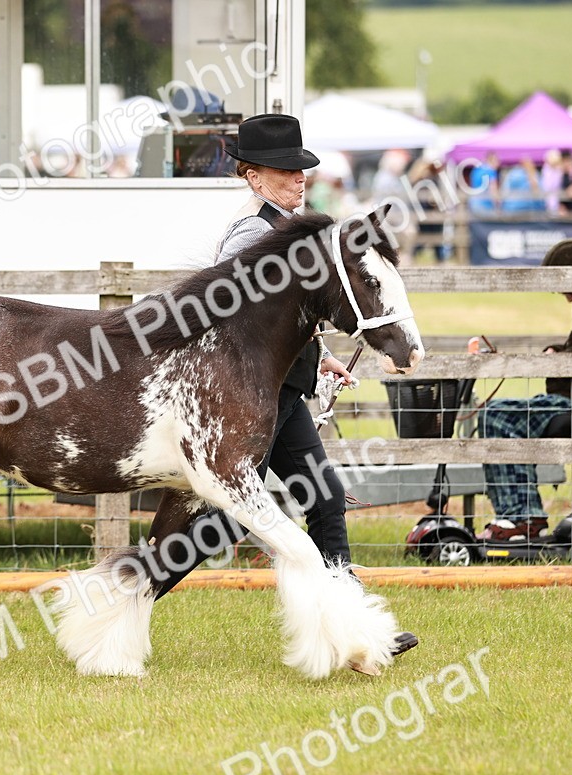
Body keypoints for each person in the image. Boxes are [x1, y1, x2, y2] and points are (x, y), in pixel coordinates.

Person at [148, 113, 418, 656]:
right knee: (216, 524)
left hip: (284, 395)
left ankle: (357, 627)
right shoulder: (252, 234)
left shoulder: (291, 230)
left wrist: (318, 360)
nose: (300, 179)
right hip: (250, 401)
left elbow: (286, 321)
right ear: (253, 176)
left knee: (323, 501)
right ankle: (130, 593)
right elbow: (231, 324)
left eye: (302, 170)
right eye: (286, 171)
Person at [478, 240, 572, 541]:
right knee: (492, 414)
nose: (567, 299)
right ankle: (515, 516)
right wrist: (558, 352)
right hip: (571, 395)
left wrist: (566, 362)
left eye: (567, 289)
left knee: (497, 417)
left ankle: (523, 518)